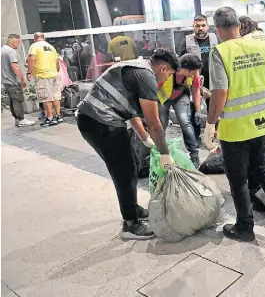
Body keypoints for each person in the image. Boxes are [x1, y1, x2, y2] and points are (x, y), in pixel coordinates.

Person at [203, 6, 265, 242]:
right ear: (238, 25)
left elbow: (220, 91)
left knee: (238, 179)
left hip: (235, 130)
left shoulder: (219, 52)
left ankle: (245, 227)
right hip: (263, 123)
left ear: (218, 29)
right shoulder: (259, 47)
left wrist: (210, 123)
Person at [76, 49, 178, 240]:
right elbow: (154, 123)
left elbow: (129, 110)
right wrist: (165, 153)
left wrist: (144, 138)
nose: (166, 79)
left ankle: (133, 208)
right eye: (169, 74)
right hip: (101, 123)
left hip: (94, 120)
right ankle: (131, 224)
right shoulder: (147, 76)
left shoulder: (137, 66)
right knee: (125, 172)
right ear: (163, 68)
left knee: (132, 164)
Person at [158, 53, 202, 168]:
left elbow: (196, 89)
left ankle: (194, 155)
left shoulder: (193, 73)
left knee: (184, 121)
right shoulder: (166, 72)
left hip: (180, 97)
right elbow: (152, 90)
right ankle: (160, 154)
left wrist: (198, 110)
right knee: (160, 125)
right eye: (193, 71)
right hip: (163, 99)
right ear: (186, 70)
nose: (195, 73)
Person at [27, 32, 62, 127]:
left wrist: (29, 72)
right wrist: (56, 71)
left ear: (34, 39)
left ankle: (50, 118)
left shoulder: (34, 46)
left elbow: (32, 59)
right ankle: (58, 116)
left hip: (43, 75)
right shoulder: (51, 47)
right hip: (54, 74)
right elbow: (57, 62)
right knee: (56, 96)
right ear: (43, 38)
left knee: (46, 98)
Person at [1, 34, 35, 126]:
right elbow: (14, 66)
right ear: (14, 42)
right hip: (13, 80)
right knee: (18, 99)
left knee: (13, 100)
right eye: (19, 42)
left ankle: (17, 119)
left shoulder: (2, 49)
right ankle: (21, 119)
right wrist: (22, 79)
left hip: (6, 80)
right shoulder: (11, 51)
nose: (19, 45)